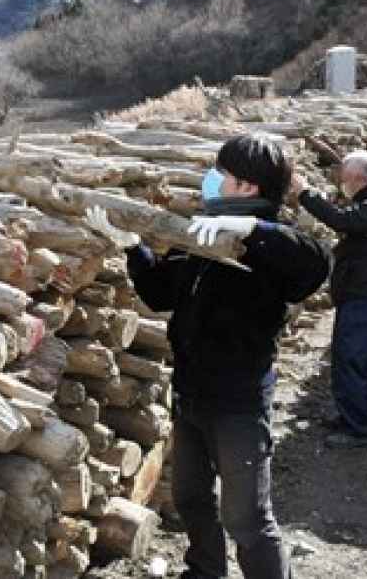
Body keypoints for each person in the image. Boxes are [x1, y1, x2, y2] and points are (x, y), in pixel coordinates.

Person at [85, 134, 329, 579]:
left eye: (224, 173)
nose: (213, 179)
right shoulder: (200, 232)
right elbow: (160, 293)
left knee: (247, 519)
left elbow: (315, 265)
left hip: (238, 401)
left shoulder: (273, 244)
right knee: (192, 498)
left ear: (248, 187)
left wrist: (254, 231)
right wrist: (129, 247)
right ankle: (204, 572)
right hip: (191, 394)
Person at [291, 149, 367, 449]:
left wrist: (304, 193)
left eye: (344, 178)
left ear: (357, 178)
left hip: (366, 297)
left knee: (354, 360)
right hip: (356, 295)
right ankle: (347, 415)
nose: (342, 183)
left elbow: (340, 220)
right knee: (344, 357)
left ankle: (358, 429)